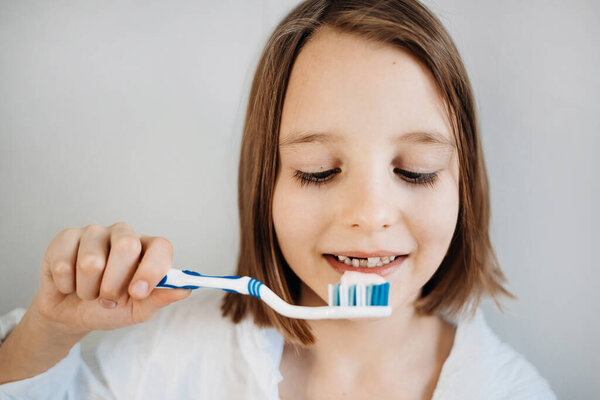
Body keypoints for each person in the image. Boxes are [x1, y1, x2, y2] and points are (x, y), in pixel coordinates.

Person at [0, 0, 557, 398]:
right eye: (318, 173)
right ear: (264, 183)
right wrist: (50, 330)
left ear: (465, 186)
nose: (370, 214)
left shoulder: (512, 391)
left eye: (416, 172)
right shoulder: (172, 358)